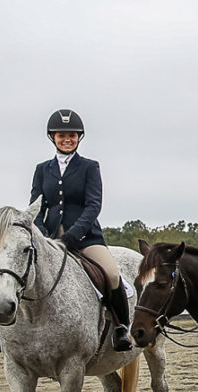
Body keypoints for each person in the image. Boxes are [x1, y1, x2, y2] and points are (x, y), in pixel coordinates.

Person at [32, 109, 132, 352]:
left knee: (111, 275)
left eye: (72, 135)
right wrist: (42, 233)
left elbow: (93, 205)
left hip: (86, 238)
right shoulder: (42, 169)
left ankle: (121, 328)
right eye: (61, 135)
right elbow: (35, 205)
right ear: (52, 137)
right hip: (50, 238)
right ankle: (5, 329)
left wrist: (72, 235)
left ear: (79, 138)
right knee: (21, 269)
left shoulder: (89, 167)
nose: (67, 139)